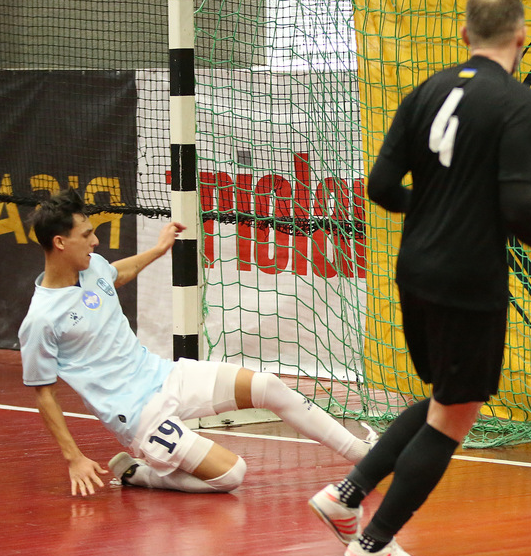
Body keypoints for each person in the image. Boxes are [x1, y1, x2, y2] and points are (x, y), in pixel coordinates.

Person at [308, 0, 531, 556]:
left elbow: (381, 187)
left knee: (445, 400)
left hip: (415, 270)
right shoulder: (518, 102)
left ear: (464, 35)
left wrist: (427, 208)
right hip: (466, 277)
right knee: (456, 414)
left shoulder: (426, 91)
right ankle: (373, 544)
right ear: (521, 37)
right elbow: (516, 205)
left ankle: (346, 496)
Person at [19, 188, 372, 496]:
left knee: (268, 386)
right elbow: (44, 394)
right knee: (231, 475)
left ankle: (362, 453)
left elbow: (114, 276)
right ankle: (141, 474)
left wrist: (158, 249)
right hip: (139, 416)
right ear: (60, 243)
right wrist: (74, 458)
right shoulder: (42, 319)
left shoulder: (93, 266)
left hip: (164, 374)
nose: (95, 242)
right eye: (86, 235)